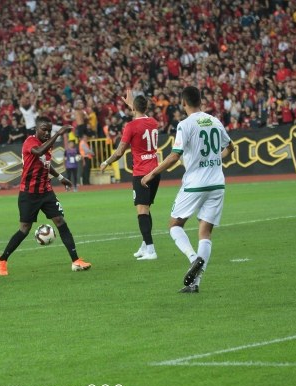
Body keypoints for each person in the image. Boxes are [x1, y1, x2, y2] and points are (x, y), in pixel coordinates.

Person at [142, 86, 235, 293]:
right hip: (217, 183)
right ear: (201, 101)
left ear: (183, 103)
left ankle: (194, 259)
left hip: (195, 184)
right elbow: (230, 148)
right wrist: (213, 160)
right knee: (205, 232)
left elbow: (175, 155)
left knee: (174, 225)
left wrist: (152, 173)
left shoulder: (185, 124)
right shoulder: (214, 120)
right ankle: (195, 283)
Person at [0, 116, 91, 276]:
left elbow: (46, 164)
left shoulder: (48, 146)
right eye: (44, 130)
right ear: (36, 129)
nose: (47, 133)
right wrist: (59, 133)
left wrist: (61, 178)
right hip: (29, 193)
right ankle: (3, 259)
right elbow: (39, 151)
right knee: (24, 229)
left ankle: (76, 261)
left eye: (49, 130)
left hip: (46, 192)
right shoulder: (30, 142)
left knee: (60, 221)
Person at [100, 90, 161, 261]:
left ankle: (151, 250)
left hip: (141, 173)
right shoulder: (153, 122)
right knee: (146, 209)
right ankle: (145, 245)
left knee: (142, 211)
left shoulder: (131, 126)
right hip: (155, 172)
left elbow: (120, 152)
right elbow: (143, 116)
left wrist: (106, 162)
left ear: (133, 108)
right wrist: (133, 105)